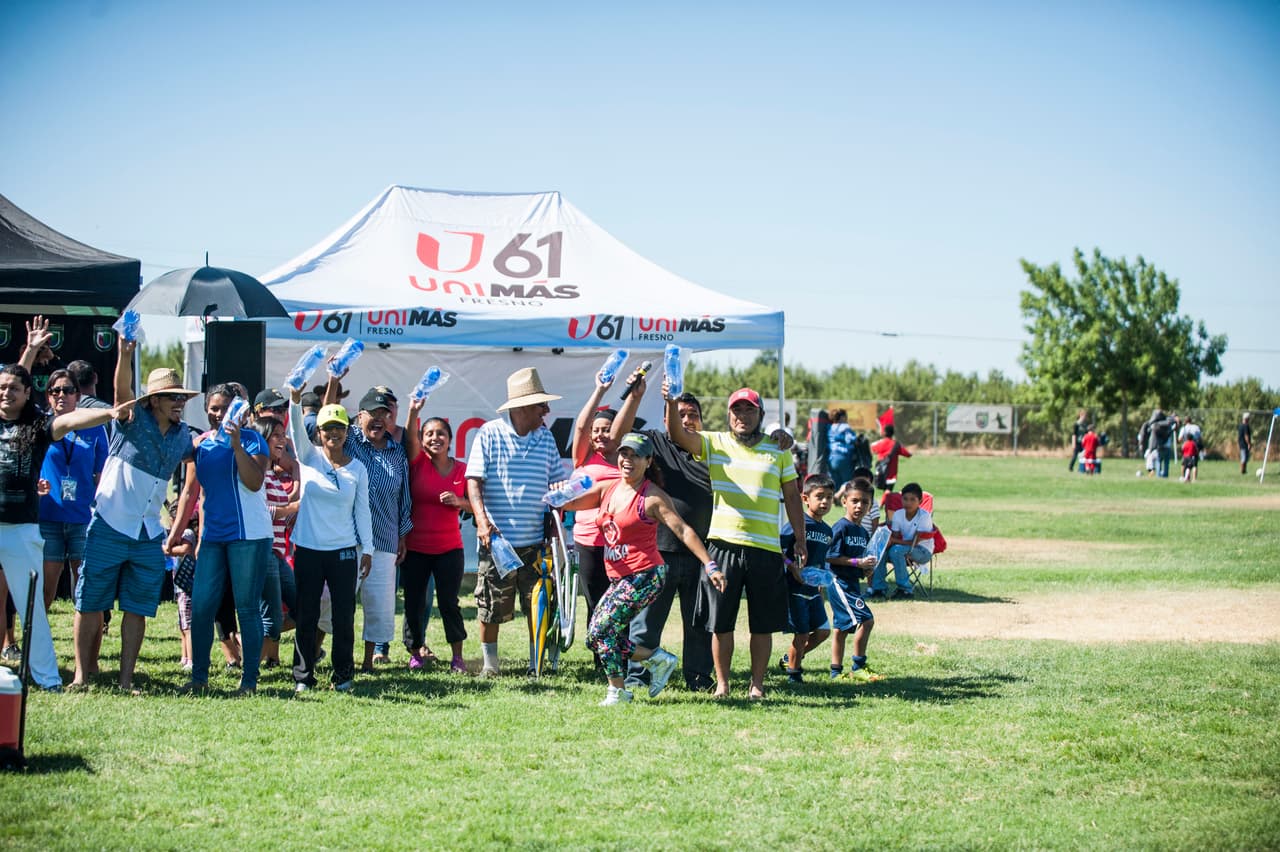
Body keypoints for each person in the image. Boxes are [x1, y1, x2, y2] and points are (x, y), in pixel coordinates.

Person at [70, 335, 198, 692]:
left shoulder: (182, 434)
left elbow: (193, 459)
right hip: (109, 524)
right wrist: (125, 353)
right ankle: (82, 676)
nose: (180, 403)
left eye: (182, 398)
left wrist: (185, 502)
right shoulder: (130, 419)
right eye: (174, 397)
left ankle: (126, 681)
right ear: (153, 400)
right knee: (89, 600)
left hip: (147, 533)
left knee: (137, 607)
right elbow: (121, 390)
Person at [561, 432, 724, 706]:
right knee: (596, 638)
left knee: (603, 631)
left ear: (648, 461)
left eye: (636, 455)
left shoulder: (653, 497)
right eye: (624, 453)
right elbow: (569, 503)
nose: (628, 460)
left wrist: (710, 564)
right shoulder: (608, 488)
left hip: (646, 575)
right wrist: (559, 492)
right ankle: (657, 659)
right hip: (620, 578)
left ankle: (618, 692)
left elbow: (684, 531)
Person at [0, 355, 131, 693]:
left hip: (22, 528)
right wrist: (28, 352)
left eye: (14, 388)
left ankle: (46, 677)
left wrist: (110, 413)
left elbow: (72, 422)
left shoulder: (39, 425)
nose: (6, 393)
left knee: (33, 607)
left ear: (28, 393)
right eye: (1, 388)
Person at [665, 384, 805, 701]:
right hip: (724, 545)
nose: (742, 416)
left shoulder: (778, 449)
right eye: (736, 410)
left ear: (760, 414)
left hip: (766, 548)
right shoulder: (715, 442)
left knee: (763, 624)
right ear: (728, 415)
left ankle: (757, 685)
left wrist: (800, 538)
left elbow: (793, 496)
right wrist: (671, 402)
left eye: (749, 410)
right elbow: (678, 435)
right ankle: (723, 685)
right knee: (720, 622)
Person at [168, 383, 273, 696]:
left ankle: (249, 681)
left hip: (249, 536)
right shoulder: (199, 444)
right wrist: (175, 533)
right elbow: (189, 492)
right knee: (201, 607)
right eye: (212, 408)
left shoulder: (254, 440)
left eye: (224, 408)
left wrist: (237, 445)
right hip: (213, 536)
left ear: (237, 411)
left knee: (247, 608)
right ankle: (199, 677)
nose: (217, 414)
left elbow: (254, 483)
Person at [466, 367, 568, 677]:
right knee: (491, 604)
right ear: (524, 407)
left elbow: (557, 483)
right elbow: (474, 482)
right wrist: (483, 523)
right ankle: (490, 665)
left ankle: (536, 664)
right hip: (498, 541)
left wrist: (557, 514)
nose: (547, 411)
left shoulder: (546, 438)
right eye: (542, 405)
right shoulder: (489, 433)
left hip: (536, 542)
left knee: (538, 606)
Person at [287, 390, 373, 692]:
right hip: (309, 549)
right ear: (319, 433)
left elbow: (362, 511)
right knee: (307, 615)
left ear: (347, 432)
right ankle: (303, 677)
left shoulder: (357, 469)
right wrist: (295, 400)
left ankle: (343, 676)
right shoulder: (308, 457)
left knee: (343, 617)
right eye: (327, 428)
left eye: (339, 428)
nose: (333, 433)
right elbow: (296, 428)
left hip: (344, 552)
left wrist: (368, 550)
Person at [323, 377, 411, 671]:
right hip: (348, 537)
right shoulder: (347, 439)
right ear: (358, 415)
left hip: (385, 538)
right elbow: (327, 416)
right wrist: (333, 381)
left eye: (384, 413)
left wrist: (402, 534)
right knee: (332, 599)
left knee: (379, 605)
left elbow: (404, 494)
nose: (378, 419)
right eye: (372, 413)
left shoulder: (396, 450)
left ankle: (367, 662)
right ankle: (314, 651)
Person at [569, 369, 645, 673]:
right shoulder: (583, 458)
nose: (600, 434)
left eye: (607, 430)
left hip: (621, 545)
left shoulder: (622, 460)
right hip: (588, 542)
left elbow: (622, 427)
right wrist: (599, 390)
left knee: (620, 607)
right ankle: (602, 662)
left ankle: (621, 662)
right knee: (595, 604)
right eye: (596, 430)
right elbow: (580, 427)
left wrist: (635, 397)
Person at [402, 399, 471, 673]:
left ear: (450, 439)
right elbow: (409, 438)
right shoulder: (417, 462)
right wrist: (413, 411)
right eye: (429, 434)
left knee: (448, 603)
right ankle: (416, 651)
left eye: (440, 433)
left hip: (449, 549)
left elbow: (475, 503)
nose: (435, 438)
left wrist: (459, 502)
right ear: (422, 439)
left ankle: (457, 657)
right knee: (414, 603)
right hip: (416, 548)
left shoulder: (462, 470)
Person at [37, 368, 110, 609]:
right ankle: (39, 641)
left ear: (77, 396)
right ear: (48, 396)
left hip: (81, 517)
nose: (61, 395)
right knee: (47, 588)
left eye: (68, 390)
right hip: (48, 515)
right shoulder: (40, 426)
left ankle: (90, 636)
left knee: (84, 585)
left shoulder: (95, 428)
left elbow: (103, 476)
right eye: (55, 390)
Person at [825, 479, 884, 682]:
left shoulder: (863, 532)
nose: (859, 506)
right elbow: (830, 557)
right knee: (866, 620)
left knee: (842, 628)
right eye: (855, 501)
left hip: (851, 583)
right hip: (838, 582)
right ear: (844, 501)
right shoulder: (840, 528)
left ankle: (835, 672)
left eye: (865, 502)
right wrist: (857, 562)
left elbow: (861, 562)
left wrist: (866, 570)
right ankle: (858, 666)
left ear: (870, 505)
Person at [778, 475, 834, 684]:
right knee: (801, 634)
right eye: (819, 496)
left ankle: (790, 658)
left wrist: (821, 580)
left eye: (829, 497)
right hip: (794, 589)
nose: (824, 502)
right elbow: (778, 552)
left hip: (813, 591)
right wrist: (793, 568)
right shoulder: (795, 524)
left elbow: (822, 559)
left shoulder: (828, 531)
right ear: (805, 498)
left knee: (822, 632)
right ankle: (794, 674)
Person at [252, 416, 299, 668]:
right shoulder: (258, 470)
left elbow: (281, 505)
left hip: (279, 553)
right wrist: (296, 506)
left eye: (283, 436)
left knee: (301, 608)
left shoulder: (271, 470)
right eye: (276, 436)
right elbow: (263, 510)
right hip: (266, 551)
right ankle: (251, 670)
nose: (282, 441)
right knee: (269, 618)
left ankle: (253, 658)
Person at [882, 482, 933, 599]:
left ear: (920, 501)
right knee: (883, 551)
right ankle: (878, 588)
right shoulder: (898, 514)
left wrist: (893, 541)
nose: (908, 503)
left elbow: (915, 542)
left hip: (922, 551)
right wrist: (887, 543)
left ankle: (905, 590)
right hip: (905, 549)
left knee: (896, 550)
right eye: (905, 499)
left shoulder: (924, 516)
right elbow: (895, 536)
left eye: (912, 499)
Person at [870, 425, 911, 491]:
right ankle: (885, 501)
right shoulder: (896, 444)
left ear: (884, 433)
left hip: (881, 472)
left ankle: (884, 501)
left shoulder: (880, 443)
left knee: (886, 492)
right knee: (888, 491)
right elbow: (908, 454)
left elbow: (871, 448)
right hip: (892, 474)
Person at [827, 409, 856, 487]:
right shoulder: (845, 426)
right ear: (842, 417)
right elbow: (850, 440)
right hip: (843, 457)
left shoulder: (829, 427)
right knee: (847, 483)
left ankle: (835, 498)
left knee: (835, 483)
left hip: (831, 458)